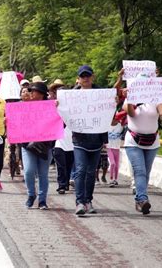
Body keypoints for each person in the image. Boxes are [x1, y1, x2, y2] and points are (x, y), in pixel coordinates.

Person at [123, 73, 162, 215]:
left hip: (152, 142)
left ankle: (139, 199)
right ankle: (143, 199)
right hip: (133, 141)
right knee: (140, 171)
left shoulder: (156, 98)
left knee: (146, 172)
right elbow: (131, 114)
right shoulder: (130, 99)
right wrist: (131, 98)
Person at [71, 65, 108, 215]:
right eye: (82, 76)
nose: (85, 78)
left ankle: (88, 200)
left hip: (97, 139)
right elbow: (63, 115)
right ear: (78, 79)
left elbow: (110, 113)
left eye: (88, 75)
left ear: (92, 77)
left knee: (92, 171)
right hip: (79, 139)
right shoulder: (70, 96)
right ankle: (79, 202)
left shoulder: (102, 94)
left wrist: (113, 102)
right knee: (80, 170)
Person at [20, 82, 54, 209]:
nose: (30, 93)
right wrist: (8, 122)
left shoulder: (51, 107)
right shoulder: (22, 107)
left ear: (41, 94)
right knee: (28, 171)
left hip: (45, 145)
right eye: (30, 91)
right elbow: (16, 124)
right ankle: (31, 194)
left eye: (33, 91)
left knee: (43, 174)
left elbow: (60, 125)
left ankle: (42, 200)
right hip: (27, 144)